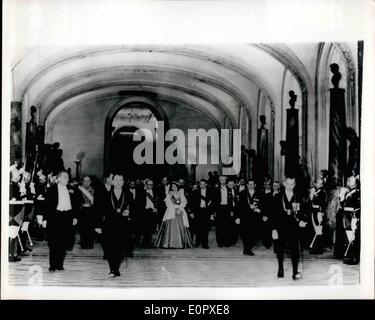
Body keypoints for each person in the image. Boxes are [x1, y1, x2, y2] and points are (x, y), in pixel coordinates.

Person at [272, 177, 307, 280]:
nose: (290, 186)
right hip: (280, 227)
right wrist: (274, 229)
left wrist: (302, 220)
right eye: (288, 184)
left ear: (295, 184)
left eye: (292, 184)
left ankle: (295, 271)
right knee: (280, 249)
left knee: (295, 250)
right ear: (284, 184)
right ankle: (280, 268)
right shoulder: (278, 197)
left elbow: (302, 212)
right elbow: (273, 215)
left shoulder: (298, 197)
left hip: (294, 228)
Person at [44, 170, 79, 272]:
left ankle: (60, 264)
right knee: (54, 242)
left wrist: (75, 217)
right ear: (58, 178)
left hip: (67, 217)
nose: (67, 179)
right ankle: (52, 265)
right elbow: (47, 205)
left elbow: (76, 205)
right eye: (64, 177)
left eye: (67, 177)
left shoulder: (71, 189)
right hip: (55, 217)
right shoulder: (51, 189)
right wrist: (45, 218)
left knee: (63, 242)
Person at [100, 174, 133, 277]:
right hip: (109, 224)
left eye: (120, 180)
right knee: (110, 247)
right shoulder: (106, 194)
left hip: (123, 225)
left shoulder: (128, 194)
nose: (118, 182)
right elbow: (100, 210)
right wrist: (98, 225)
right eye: (116, 180)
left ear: (123, 182)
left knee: (120, 248)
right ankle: (112, 269)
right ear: (112, 182)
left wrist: (129, 211)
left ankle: (116, 269)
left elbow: (134, 207)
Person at [155, 182, 193, 248]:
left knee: (182, 225)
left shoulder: (181, 193)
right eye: (172, 186)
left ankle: (180, 243)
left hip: (179, 211)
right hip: (171, 211)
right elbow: (168, 203)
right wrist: (174, 208)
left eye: (174, 186)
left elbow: (184, 202)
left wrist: (180, 209)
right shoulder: (169, 194)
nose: (173, 188)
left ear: (177, 187)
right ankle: (168, 243)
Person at [340, 175, 360, 265]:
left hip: (352, 216)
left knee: (352, 236)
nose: (348, 181)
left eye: (350, 180)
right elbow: (343, 204)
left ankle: (353, 257)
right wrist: (342, 196)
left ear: (355, 182)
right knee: (348, 235)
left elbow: (357, 206)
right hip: (346, 215)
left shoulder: (357, 193)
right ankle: (350, 255)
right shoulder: (349, 192)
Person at [238, 179, 261, 255]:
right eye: (249, 184)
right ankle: (246, 249)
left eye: (252, 184)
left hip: (255, 217)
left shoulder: (259, 193)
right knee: (245, 234)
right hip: (245, 216)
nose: (251, 185)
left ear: (255, 185)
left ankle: (249, 247)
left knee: (254, 234)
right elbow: (240, 206)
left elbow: (262, 204)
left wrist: (259, 210)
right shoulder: (242, 193)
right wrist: (238, 217)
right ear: (247, 185)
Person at [190, 179, 213, 249]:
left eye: (203, 184)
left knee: (206, 228)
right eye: (200, 184)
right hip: (198, 211)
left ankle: (205, 244)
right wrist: (191, 212)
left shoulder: (210, 192)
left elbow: (212, 203)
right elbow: (191, 203)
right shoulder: (195, 192)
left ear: (206, 184)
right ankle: (197, 242)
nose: (202, 185)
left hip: (206, 211)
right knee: (198, 228)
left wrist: (211, 213)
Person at [307, 178, 328, 254]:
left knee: (318, 229)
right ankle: (314, 247)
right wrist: (311, 195)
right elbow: (309, 202)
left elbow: (323, 203)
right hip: (313, 211)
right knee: (314, 228)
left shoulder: (323, 192)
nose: (318, 184)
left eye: (320, 183)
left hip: (318, 212)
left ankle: (318, 248)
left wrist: (321, 212)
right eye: (317, 183)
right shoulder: (314, 191)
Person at [9, 167, 24, 262]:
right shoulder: (11, 185)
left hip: (16, 212)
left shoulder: (16, 185)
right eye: (18, 174)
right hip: (13, 213)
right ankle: (11, 255)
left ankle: (13, 254)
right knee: (12, 233)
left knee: (14, 233)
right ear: (14, 175)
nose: (19, 176)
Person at [213, 176, 232, 247]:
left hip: (227, 208)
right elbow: (214, 202)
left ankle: (226, 242)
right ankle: (220, 243)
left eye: (224, 180)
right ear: (219, 181)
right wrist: (214, 211)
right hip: (219, 209)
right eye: (222, 180)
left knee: (227, 226)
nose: (223, 181)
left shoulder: (229, 189)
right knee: (219, 227)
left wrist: (231, 210)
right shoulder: (216, 190)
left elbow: (230, 201)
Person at [78, 175, 95, 249]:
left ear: (90, 182)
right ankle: (84, 244)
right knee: (83, 228)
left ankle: (90, 243)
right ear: (83, 181)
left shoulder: (93, 190)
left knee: (90, 227)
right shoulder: (79, 189)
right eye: (85, 181)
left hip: (91, 210)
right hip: (82, 210)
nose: (86, 183)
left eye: (88, 181)